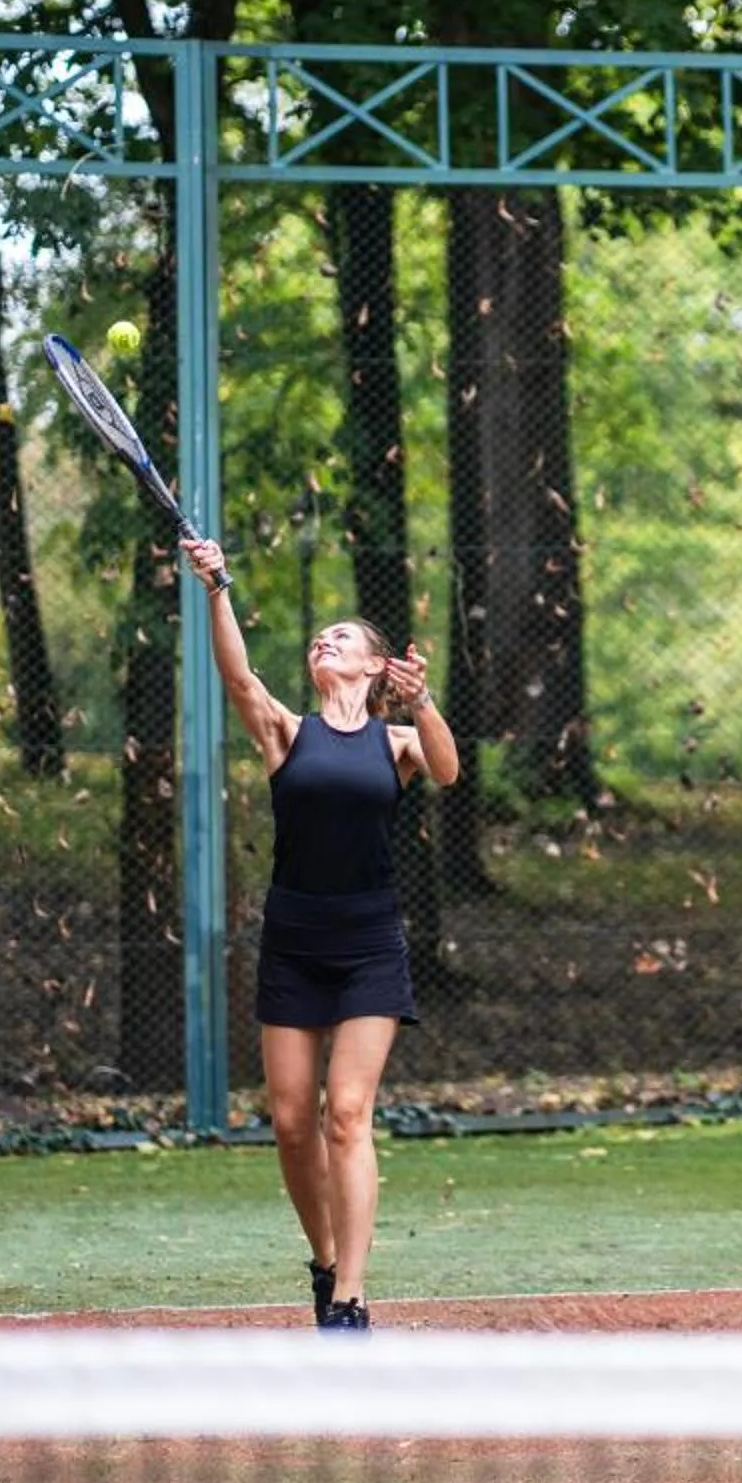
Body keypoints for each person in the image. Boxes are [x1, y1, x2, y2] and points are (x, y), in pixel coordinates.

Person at [181, 534, 457, 1333]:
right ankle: (325, 1260)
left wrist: (424, 701)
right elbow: (237, 675)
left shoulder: (395, 741)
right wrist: (217, 587)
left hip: (371, 945)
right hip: (294, 943)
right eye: (317, 638)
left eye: (340, 636)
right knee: (294, 1123)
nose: (321, 642)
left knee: (347, 1115)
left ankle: (351, 1299)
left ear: (375, 666)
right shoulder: (286, 734)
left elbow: (445, 771)